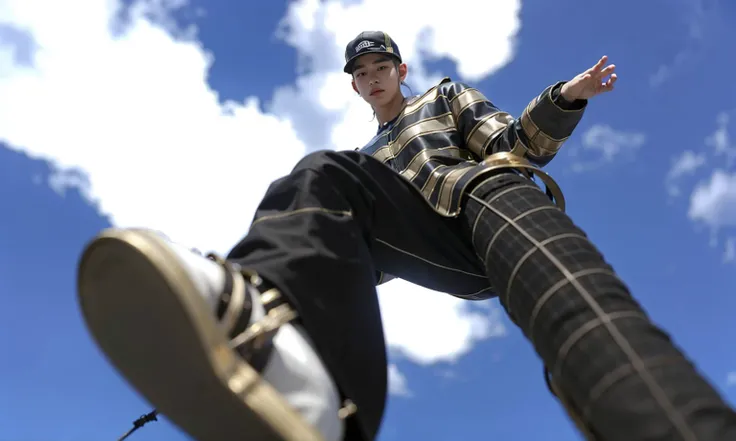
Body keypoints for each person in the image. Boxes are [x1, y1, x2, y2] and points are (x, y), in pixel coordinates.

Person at [76, 30, 736, 441]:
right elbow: (354, 247)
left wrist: (564, 96)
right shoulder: (367, 157)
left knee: (504, 203)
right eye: (360, 73)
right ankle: (286, 352)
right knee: (324, 173)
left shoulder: (441, 98)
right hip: (437, 241)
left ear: (399, 69)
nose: (371, 78)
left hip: (491, 201)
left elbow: (514, 145)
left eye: (379, 67)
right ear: (357, 86)